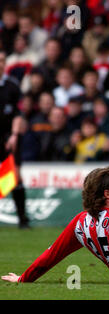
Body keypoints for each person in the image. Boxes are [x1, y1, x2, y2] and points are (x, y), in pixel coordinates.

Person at [0, 49, 29, 229]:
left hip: (7, 137)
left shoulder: (12, 86)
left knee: (16, 177)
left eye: (3, 60)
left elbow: (18, 114)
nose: (0, 63)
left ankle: (22, 219)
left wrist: (14, 134)